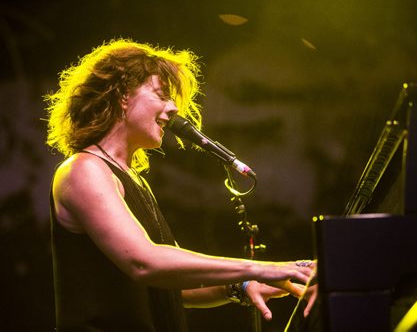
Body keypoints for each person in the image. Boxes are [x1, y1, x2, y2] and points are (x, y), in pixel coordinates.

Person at [45, 38, 316, 332]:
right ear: (123, 95)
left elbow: (174, 285)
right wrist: (261, 267)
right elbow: (144, 262)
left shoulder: (132, 180)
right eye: (161, 94)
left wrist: (240, 287)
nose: (173, 107)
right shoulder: (84, 170)